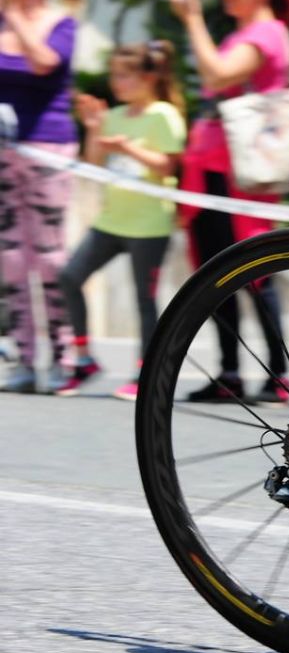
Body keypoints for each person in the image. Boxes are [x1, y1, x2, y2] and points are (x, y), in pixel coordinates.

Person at [171, 0, 289, 403]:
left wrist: (192, 19)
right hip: (213, 166)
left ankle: (277, 374)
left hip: (243, 171)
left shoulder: (267, 33)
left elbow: (216, 75)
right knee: (215, 273)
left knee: (254, 269)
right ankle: (230, 372)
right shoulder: (241, 33)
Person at [55, 42, 187, 398]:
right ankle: (83, 359)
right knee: (69, 277)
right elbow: (94, 165)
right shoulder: (113, 115)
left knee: (145, 300)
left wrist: (126, 147)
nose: (117, 83)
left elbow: (167, 166)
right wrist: (93, 128)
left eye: (125, 76)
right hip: (111, 221)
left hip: (149, 225)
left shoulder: (163, 115)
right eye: (114, 75)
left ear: (148, 77)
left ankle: (146, 374)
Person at [0, 0, 87, 394]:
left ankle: (63, 354)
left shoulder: (61, 23)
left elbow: (44, 63)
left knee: (50, 255)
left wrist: (12, 12)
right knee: (11, 256)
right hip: (4, 149)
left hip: (48, 146)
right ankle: (22, 356)